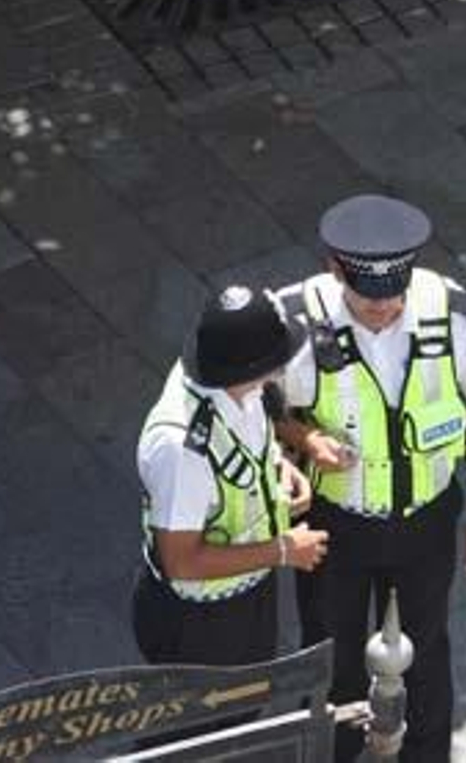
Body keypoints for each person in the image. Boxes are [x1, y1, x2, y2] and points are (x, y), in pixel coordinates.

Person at [271, 194, 466, 763]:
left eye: (394, 299)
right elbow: (255, 412)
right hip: (333, 526)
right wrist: (304, 439)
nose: (383, 311)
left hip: (425, 520)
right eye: (367, 300)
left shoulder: (450, 310)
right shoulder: (290, 323)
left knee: (426, 652)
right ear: (336, 270)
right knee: (332, 659)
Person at [133, 284, 331, 667]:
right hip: (197, 627)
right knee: (208, 725)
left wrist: (279, 469)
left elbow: (248, 439)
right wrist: (285, 550)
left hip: (249, 593)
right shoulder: (182, 450)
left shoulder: (234, 381)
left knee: (250, 702)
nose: (284, 366)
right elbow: (181, 561)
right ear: (251, 367)